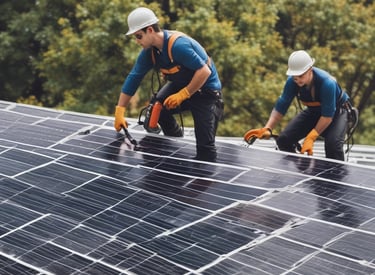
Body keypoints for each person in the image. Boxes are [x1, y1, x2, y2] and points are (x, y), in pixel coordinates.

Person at [114, 7, 223, 162]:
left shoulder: (178, 46)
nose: (137, 41)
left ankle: (205, 175)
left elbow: (204, 72)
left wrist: (184, 94)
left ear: (150, 30)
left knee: (205, 150)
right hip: (180, 85)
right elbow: (134, 78)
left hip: (206, 91)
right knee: (156, 109)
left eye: (139, 36)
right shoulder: (149, 53)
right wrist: (120, 110)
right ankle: (175, 140)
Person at [244, 50, 351, 161]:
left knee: (332, 145)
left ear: (310, 70)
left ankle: (336, 176)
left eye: (301, 75)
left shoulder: (327, 83)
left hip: (338, 113)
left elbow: (327, 116)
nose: (298, 79)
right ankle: (297, 172)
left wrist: (311, 137)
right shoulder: (292, 82)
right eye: (295, 76)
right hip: (314, 111)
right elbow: (282, 105)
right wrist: (268, 127)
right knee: (284, 140)